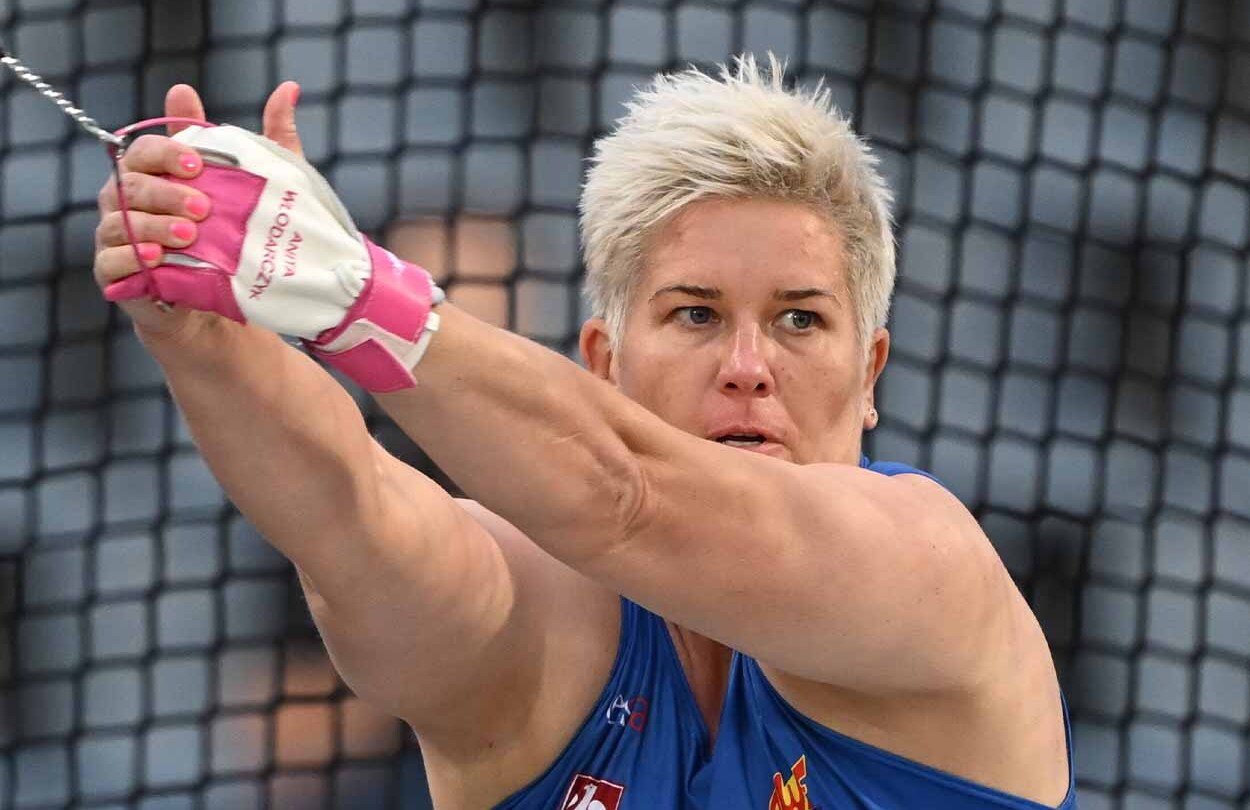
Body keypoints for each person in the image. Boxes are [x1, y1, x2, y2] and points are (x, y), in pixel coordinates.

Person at [92, 56, 1074, 809]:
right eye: (695, 314)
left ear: (869, 376)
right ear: (603, 363)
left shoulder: (928, 574)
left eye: (799, 320)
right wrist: (196, 325)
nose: (747, 364)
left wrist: (346, 290)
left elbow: (628, 497)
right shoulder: (545, 628)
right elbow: (349, 518)